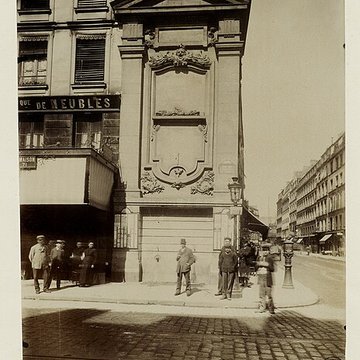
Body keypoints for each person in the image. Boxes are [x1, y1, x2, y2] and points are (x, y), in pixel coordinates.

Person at [255, 244, 275, 314]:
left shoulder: (270, 258)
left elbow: (272, 269)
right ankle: (262, 307)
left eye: (266, 250)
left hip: (267, 277)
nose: (265, 252)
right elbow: (255, 268)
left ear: (269, 251)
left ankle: (271, 308)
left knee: (269, 294)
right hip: (261, 277)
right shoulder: (259, 257)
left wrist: (266, 264)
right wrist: (258, 264)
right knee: (261, 294)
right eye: (264, 250)